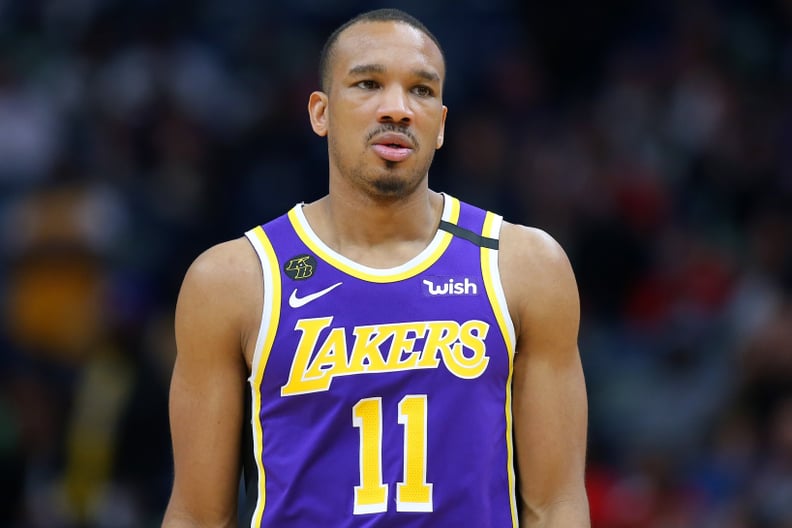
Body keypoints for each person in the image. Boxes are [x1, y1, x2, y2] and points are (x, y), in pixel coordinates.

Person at [162, 8, 590, 527]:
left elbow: (556, 505)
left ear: (441, 125)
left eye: (422, 91)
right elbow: (197, 515)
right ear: (320, 112)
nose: (398, 109)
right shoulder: (232, 280)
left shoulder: (524, 266)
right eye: (368, 84)